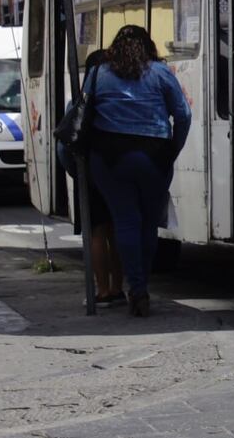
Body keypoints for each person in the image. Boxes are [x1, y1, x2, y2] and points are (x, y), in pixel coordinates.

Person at [85, 25, 191, 318]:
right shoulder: (160, 72)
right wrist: (173, 150)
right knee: (147, 225)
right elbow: (183, 114)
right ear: (148, 46)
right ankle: (140, 285)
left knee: (125, 222)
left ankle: (138, 287)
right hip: (153, 156)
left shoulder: (99, 74)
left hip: (109, 158)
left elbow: (84, 113)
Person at [57, 50, 125, 308]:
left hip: (90, 173)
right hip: (116, 170)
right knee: (116, 232)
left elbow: (64, 148)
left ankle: (103, 290)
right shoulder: (119, 99)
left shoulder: (79, 102)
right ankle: (118, 289)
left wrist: (78, 174)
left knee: (97, 233)